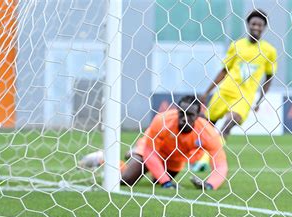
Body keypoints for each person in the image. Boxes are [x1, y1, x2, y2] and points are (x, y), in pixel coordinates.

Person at [79, 95, 228, 190]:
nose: (184, 118)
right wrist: (166, 182)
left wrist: (210, 185)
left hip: (174, 160)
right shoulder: (162, 120)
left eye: (190, 115)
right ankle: (103, 157)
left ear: (197, 116)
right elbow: (150, 152)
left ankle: (133, 157)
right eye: (181, 113)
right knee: (125, 181)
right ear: (176, 111)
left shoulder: (208, 132)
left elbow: (220, 164)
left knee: (157, 182)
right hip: (149, 151)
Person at [192, 9, 277, 171]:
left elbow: (269, 77)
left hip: (245, 97)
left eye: (260, 24)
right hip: (225, 91)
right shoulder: (236, 45)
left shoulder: (269, 51)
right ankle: (194, 155)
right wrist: (207, 92)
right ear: (248, 25)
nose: (256, 27)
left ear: (264, 27)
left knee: (228, 124)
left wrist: (260, 99)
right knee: (207, 125)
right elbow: (224, 71)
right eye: (254, 24)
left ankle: (204, 160)